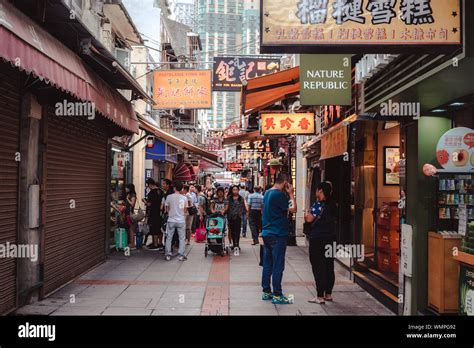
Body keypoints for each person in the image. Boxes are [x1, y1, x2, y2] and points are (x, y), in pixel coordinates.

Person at [261, 173, 297, 304]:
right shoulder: (279, 195)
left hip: (267, 233)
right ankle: (277, 294)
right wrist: (291, 193)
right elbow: (293, 209)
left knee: (267, 264)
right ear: (286, 183)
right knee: (278, 265)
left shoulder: (267, 193)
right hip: (278, 233)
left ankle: (266, 292)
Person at [304, 182, 337, 304]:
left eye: (317, 190)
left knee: (318, 266)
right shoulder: (333, 205)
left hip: (318, 239)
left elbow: (309, 219)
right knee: (329, 266)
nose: (316, 192)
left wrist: (306, 213)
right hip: (331, 238)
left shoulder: (318, 205)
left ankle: (319, 296)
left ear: (321, 191)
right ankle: (328, 294)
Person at [164, 181, 188, 261]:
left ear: (174, 188)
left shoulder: (169, 197)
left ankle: (168, 254)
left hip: (171, 220)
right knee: (181, 238)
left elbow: (166, 209)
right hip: (181, 220)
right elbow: (185, 210)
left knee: (169, 237)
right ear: (181, 188)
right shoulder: (184, 198)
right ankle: (181, 255)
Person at [143, 178, 164, 250]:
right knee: (159, 228)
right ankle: (160, 243)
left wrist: (144, 201)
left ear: (149, 184)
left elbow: (149, 204)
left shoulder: (151, 193)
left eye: (147, 185)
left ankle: (155, 244)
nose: (147, 186)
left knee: (153, 228)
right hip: (160, 212)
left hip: (153, 213)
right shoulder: (161, 191)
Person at [227, 185, 248, 250]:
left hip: (238, 217)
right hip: (230, 217)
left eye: (236, 189)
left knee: (238, 231)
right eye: (234, 189)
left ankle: (237, 244)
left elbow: (243, 207)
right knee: (232, 231)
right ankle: (234, 244)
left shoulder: (241, 198)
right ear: (232, 190)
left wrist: (241, 214)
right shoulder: (229, 198)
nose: (235, 191)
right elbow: (227, 207)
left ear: (238, 190)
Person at [124, 184, 137, 248]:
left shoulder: (133, 195)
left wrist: (127, 199)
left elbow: (132, 204)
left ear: (130, 188)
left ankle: (132, 244)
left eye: (126, 188)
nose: (125, 189)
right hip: (127, 213)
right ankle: (131, 243)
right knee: (130, 228)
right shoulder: (130, 194)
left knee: (131, 229)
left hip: (130, 213)